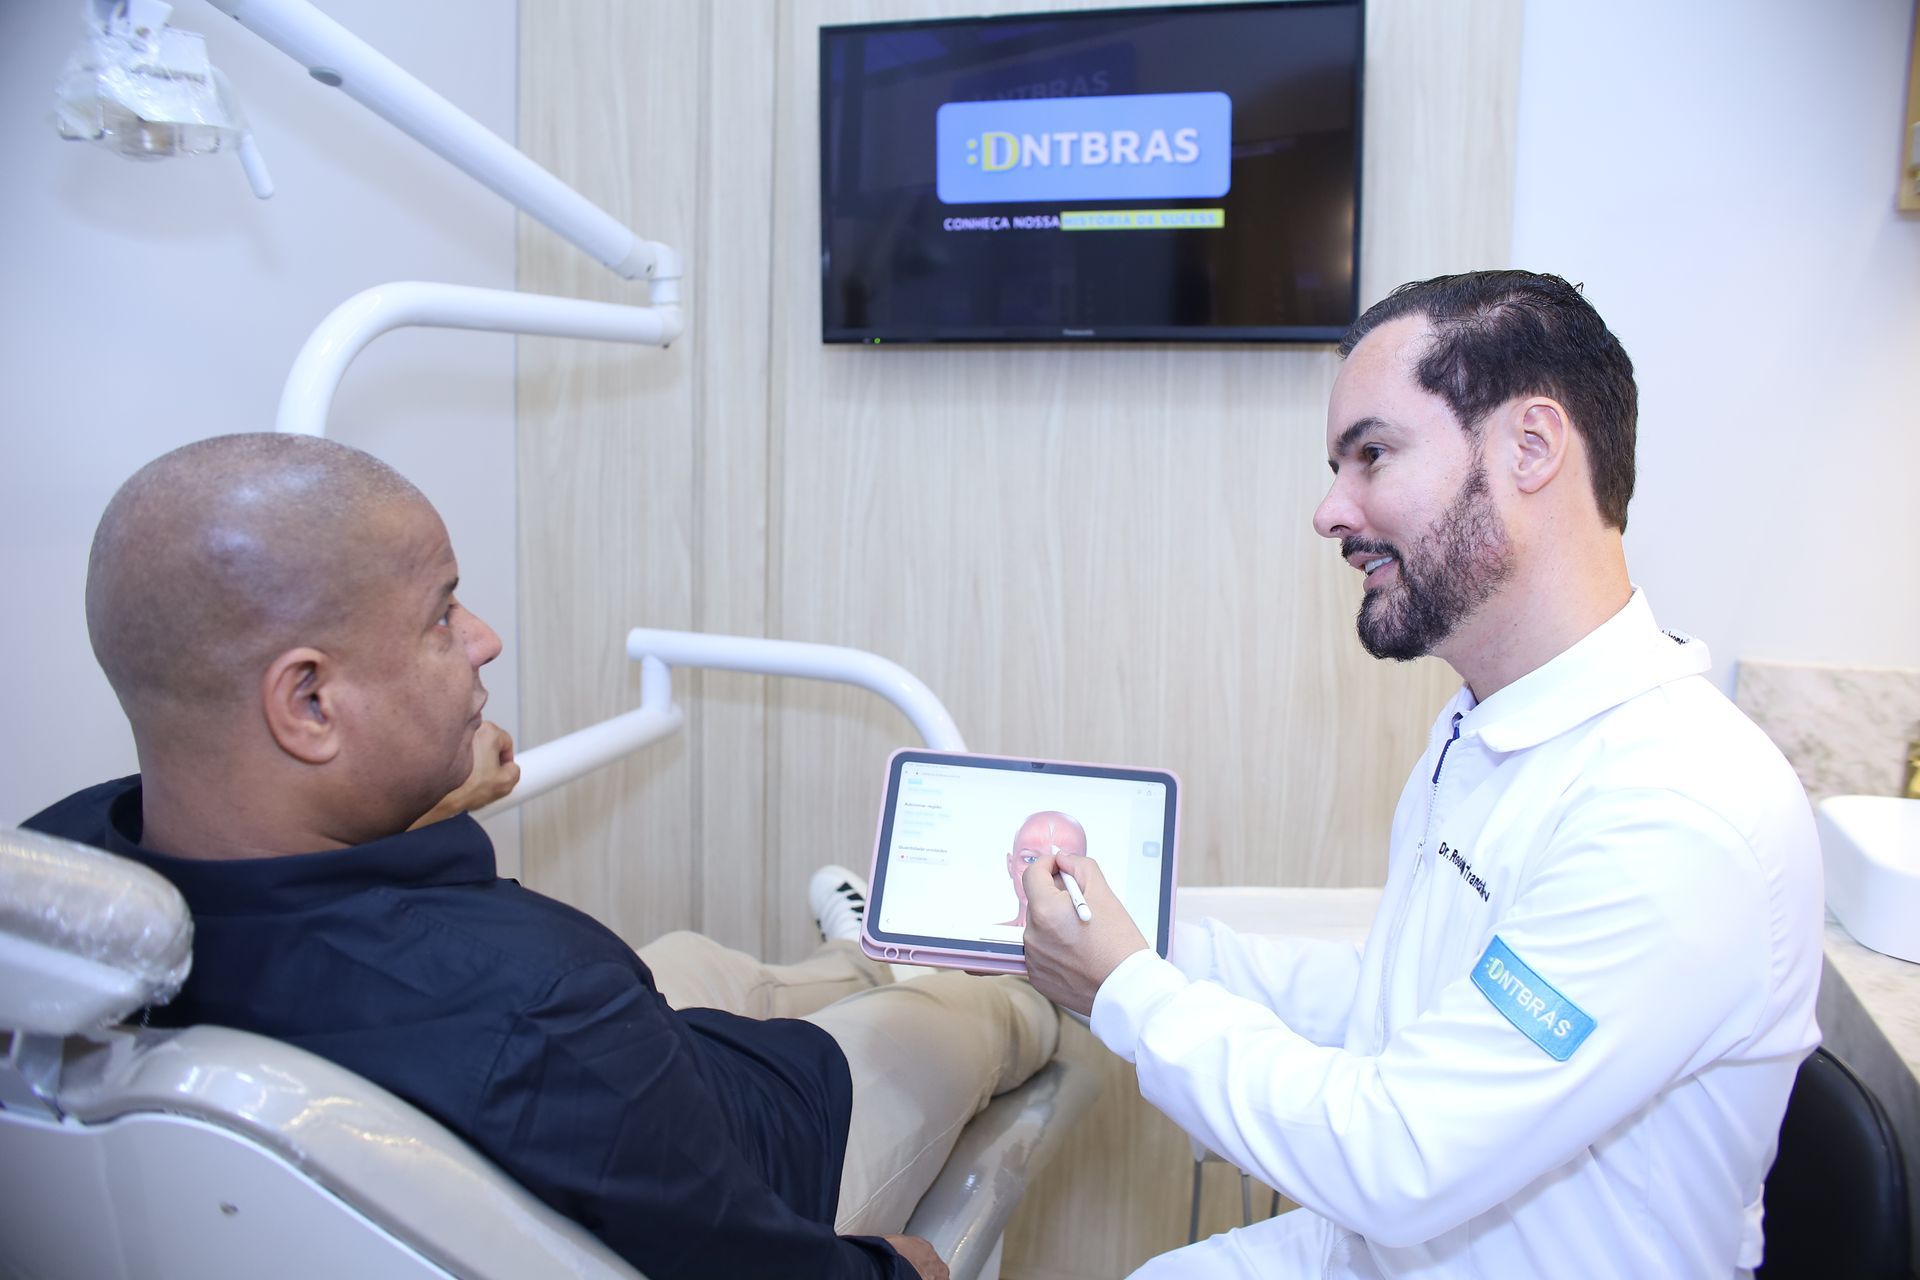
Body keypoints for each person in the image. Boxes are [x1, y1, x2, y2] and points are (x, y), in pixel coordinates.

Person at [23, 433, 1058, 1280]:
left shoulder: (61, 884)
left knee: (708, 960)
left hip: (617, 1075)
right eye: (441, 612)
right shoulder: (538, 1000)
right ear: (309, 702)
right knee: (983, 1009)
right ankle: (950, 975)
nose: (482, 638)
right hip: (768, 1139)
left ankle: (869, 948)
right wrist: (900, 1267)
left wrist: (426, 786)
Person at [1019, 271, 1823, 1278]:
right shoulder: (1480, 727)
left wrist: (1126, 987)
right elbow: (1395, 1010)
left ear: (1530, 447)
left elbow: (1398, 1154)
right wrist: (1146, 938)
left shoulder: (1676, 811)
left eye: (1373, 454)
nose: (1328, 509)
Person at [998, 810, 1087, 926]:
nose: (1046, 876)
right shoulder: (985, 937)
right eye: (1031, 859)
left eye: (1063, 864)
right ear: (1010, 865)